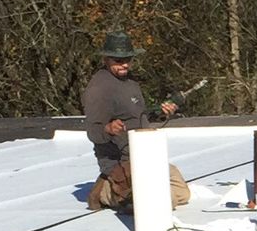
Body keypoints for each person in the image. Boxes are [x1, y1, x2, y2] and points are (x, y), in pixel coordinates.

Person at [81, 29, 189, 211]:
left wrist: (162, 112)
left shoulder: (130, 82)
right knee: (160, 202)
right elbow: (93, 132)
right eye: (118, 60)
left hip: (144, 156)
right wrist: (108, 129)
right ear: (106, 59)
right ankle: (104, 191)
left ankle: (125, 193)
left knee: (182, 193)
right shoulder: (98, 89)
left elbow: (140, 117)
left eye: (128, 59)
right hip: (120, 162)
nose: (124, 64)